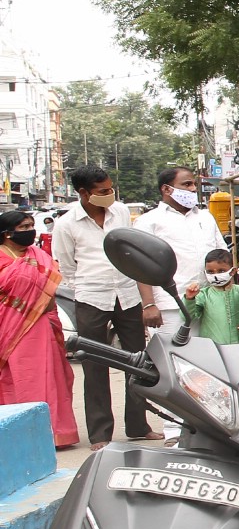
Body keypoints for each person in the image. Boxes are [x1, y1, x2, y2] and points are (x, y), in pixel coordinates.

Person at [53, 165, 160, 449]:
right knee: (94, 364)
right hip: (91, 298)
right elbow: (67, 266)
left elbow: (130, 250)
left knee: (139, 362)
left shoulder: (121, 212)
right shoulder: (66, 224)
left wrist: (145, 299)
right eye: (103, 191)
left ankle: (139, 425)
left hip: (126, 293)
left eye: (111, 189)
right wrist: (89, 286)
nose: (109, 195)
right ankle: (100, 434)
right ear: (84, 193)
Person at [0, 208, 79, 448]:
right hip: (11, 328)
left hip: (43, 325)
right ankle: (21, 435)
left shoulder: (39, 255)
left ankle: (56, 432)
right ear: (6, 234)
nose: (29, 232)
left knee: (50, 377)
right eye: (23, 228)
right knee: (18, 379)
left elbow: (50, 288)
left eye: (30, 226)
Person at [135, 165, 225, 333]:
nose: (192, 189)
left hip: (208, 301)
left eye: (194, 185)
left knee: (209, 356)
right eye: (186, 184)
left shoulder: (206, 217)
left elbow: (222, 254)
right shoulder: (149, 221)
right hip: (171, 307)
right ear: (166, 189)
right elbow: (141, 267)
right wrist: (148, 304)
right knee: (175, 356)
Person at [181, 249, 239, 344]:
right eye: (210, 272)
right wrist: (189, 299)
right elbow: (187, 317)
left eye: (221, 271)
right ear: (205, 273)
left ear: (232, 271)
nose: (216, 275)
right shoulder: (203, 294)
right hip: (213, 347)